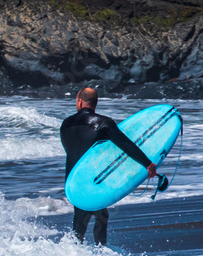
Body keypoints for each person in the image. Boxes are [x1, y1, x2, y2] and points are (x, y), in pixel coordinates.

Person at [60, 87, 157, 245]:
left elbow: (73, 151)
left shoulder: (65, 125)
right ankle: (100, 253)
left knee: (81, 220)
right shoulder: (103, 123)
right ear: (95, 103)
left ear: (79, 102)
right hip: (94, 180)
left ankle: (75, 253)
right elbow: (125, 145)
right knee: (100, 216)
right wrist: (147, 164)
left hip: (73, 182)